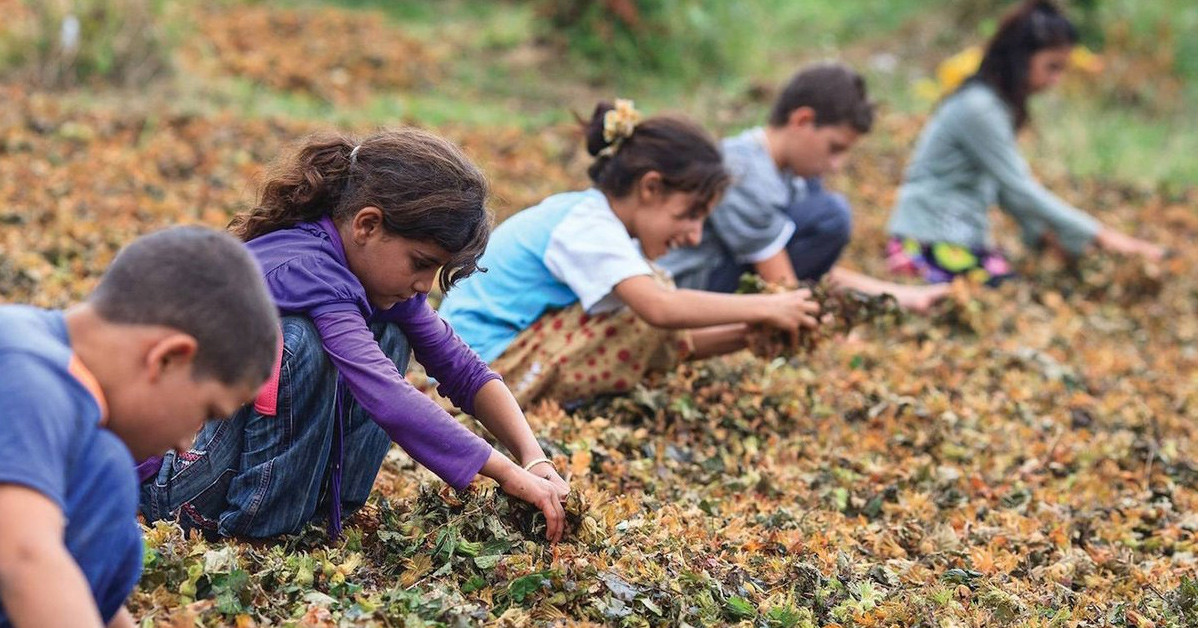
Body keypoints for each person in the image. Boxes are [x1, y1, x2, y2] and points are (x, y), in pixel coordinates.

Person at [138, 129, 572, 543]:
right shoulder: (308, 269)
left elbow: (464, 371)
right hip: (174, 485)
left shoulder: (373, 277)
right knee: (299, 343)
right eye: (420, 263)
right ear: (367, 225)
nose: (425, 285)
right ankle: (258, 531)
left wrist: (532, 457)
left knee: (390, 332)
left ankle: (320, 516)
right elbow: (388, 395)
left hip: (224, 471)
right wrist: (506, 473)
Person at [438, 100, 821, 408]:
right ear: (650, 187)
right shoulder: (588, 225)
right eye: (689, 215)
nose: (694, 236)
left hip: (486, 360)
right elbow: (660, 312)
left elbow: (668, 333)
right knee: (644, 307)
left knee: (648, 297)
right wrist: (766, 307)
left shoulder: (598, 222)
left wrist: (750, 333)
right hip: (474, 370)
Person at [0, 227, 279, 628]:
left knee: (105, 475)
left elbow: (72, 582)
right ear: (168, 358)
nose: (185, 445)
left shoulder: (51, 373)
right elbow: (27, 560)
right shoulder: (27, 375)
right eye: (205, 412)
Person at [886, 0, 1163, 285]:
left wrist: (1045, 236)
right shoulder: (979, 108)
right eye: (1051, 67)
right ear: (1020, 56)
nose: (1055, 80)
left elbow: (1007, 192)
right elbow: (1019, 188)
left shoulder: (994, 107)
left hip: (958, 238)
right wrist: (1103, 236)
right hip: (928, 240)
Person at [656, 62, 950, 311]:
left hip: (729, 280)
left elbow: (812, 270)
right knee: (831, 216)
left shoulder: (792, 177)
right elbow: (781, 283)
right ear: (802, 120)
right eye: (834, 148)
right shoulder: (743, 171)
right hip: (689, 289)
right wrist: (815, 324)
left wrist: (904, 297)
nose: (836, 165)